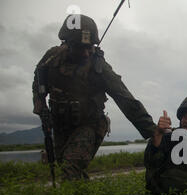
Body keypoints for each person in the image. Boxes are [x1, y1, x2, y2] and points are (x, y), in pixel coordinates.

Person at [32, 14, 156, 180]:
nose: (85, 53)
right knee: (65, 166)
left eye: (89, 47)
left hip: (89, 125)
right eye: (79, 47)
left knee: (70, 170)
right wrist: (40, 106)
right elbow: (38, 82)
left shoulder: (99, 68)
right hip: (60, 126)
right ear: (66, 43)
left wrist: (153, 132)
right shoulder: (52, 58)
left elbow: (125, 99)